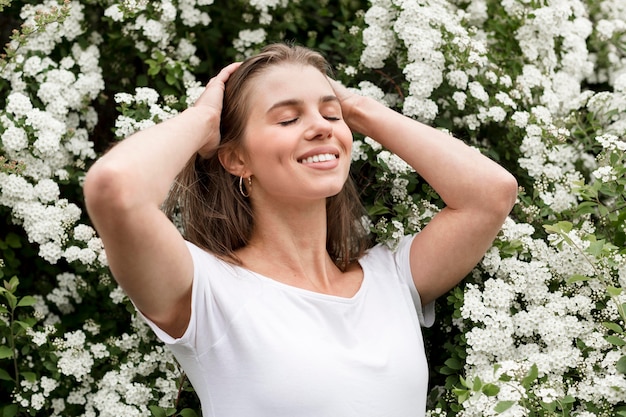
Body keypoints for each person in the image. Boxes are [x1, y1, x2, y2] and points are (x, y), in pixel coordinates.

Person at [84, 43, 517, 416]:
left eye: (330, 114)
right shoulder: (206, 292)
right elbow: (115, 189)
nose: (320, 127)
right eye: (288, 119)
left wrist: (359, 109)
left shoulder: (393, 277)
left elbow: (491, 193)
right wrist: (203, 121)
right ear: (237, 159)